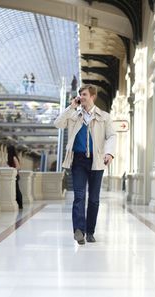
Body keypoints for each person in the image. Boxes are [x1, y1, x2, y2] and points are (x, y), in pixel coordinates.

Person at [54, 84, 116, 245]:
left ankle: (90, 232)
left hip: (97, 161)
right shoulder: (74, 115)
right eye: (80, 94)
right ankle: (79, 231)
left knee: (94, 199)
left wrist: (109, 153)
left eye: (84, 94)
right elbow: (57, 124)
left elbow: (111, 136)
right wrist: (70, 107)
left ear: (92, 96)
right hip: (79, 161)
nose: (81, 97)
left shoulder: (104, 116)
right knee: (79, 196)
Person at [7, 145, 23, 209]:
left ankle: (20, 204)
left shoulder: (14, 157)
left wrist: (12, 169)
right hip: (13, 176)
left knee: (17, 190)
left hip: (15, 176)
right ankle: (18, 204)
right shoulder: (10, 158)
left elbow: (18, 167)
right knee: (15, 190)